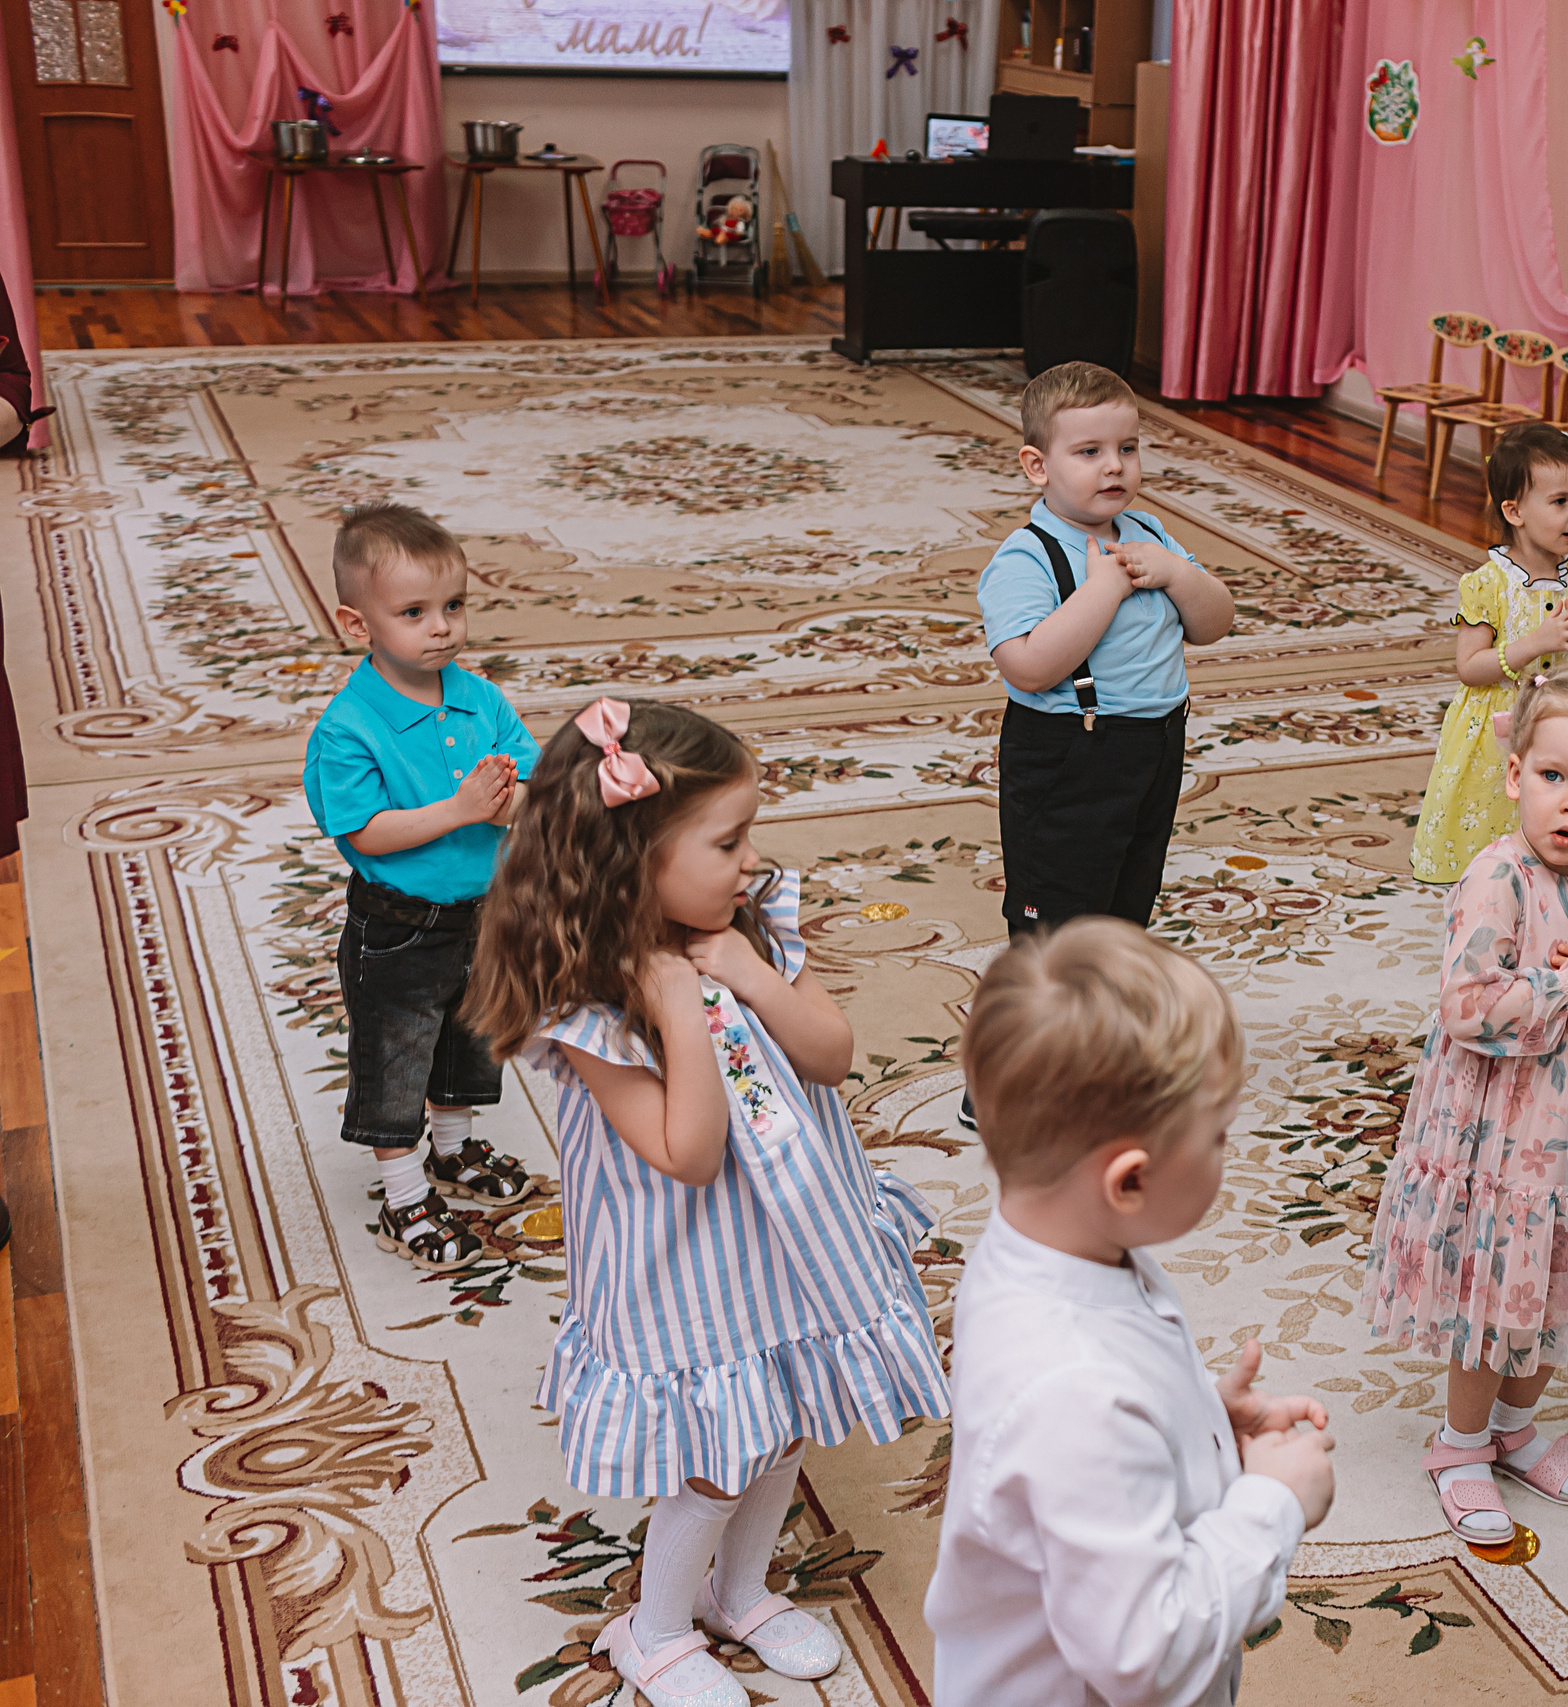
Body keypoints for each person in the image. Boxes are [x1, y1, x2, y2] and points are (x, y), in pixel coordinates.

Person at [461, 698, 950, 1707]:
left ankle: (738, 1592)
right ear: (633, 860)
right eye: (725, 841)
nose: (748, 859)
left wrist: (744, 974)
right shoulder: (590, 1003)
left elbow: (830, 1053)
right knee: (721, 1456)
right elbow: (686, 1154)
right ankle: (653, 1629)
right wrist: (682, 1011)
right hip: (687, 1264)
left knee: (789, 1419)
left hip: (793, 1238)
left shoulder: (744, 927)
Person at [926, 918, 1335, 1707]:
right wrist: (1272, 1502)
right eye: (1217, 1136)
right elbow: (1142, 1650)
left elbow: (1093, 1445)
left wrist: (1197, 1425)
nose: (1229, 1149)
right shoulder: (1073, 1390)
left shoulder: (1050, 1245)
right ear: (1129, 1181)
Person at [1362, 664, 1568, 1546]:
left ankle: (1514, 1428)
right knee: (1495, 1295)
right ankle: (1459, 1443)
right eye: (1553, 776)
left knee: (1559, 1289)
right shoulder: (1499, 878)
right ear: (1513, 773)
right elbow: (1464, 1007)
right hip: (1499, 1142)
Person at [972, 360, 1236, 1131]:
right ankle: (1011, 1072)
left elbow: (1214, 621)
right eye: (1088, 451)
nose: (1114, 466)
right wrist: (1104, 590)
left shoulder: (1150, 534)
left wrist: (1177, 573)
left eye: (1127, 448)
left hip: (1152, 748)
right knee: (1053, 927)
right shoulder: (1029, 556)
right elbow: (1026, 665)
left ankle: (1098, 1053)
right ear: (1037, 464)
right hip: (1067, 756)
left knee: (1122, 911)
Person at [303, 502, 540, 1273]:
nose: (440, 627)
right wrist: (460, 810)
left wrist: (518, 805)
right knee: (397, 1058)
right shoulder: (349, 727)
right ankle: (404, 1197)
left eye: (453, 606)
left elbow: (531, 779)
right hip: (397, 926)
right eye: (413, 612)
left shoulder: (480, 699)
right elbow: (363, 831)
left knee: (468, 1042)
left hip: (482, 914)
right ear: (357, 623)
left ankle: (452, 1148)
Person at [1409, 422, 1568, 883]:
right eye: (1560, 502)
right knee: (1492, 833)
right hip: (1497, 739)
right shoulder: (1488, 585)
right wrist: (1537, 643)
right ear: (1515, 511)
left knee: (1557, 832)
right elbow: (1470, 667)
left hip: (1564, 730)